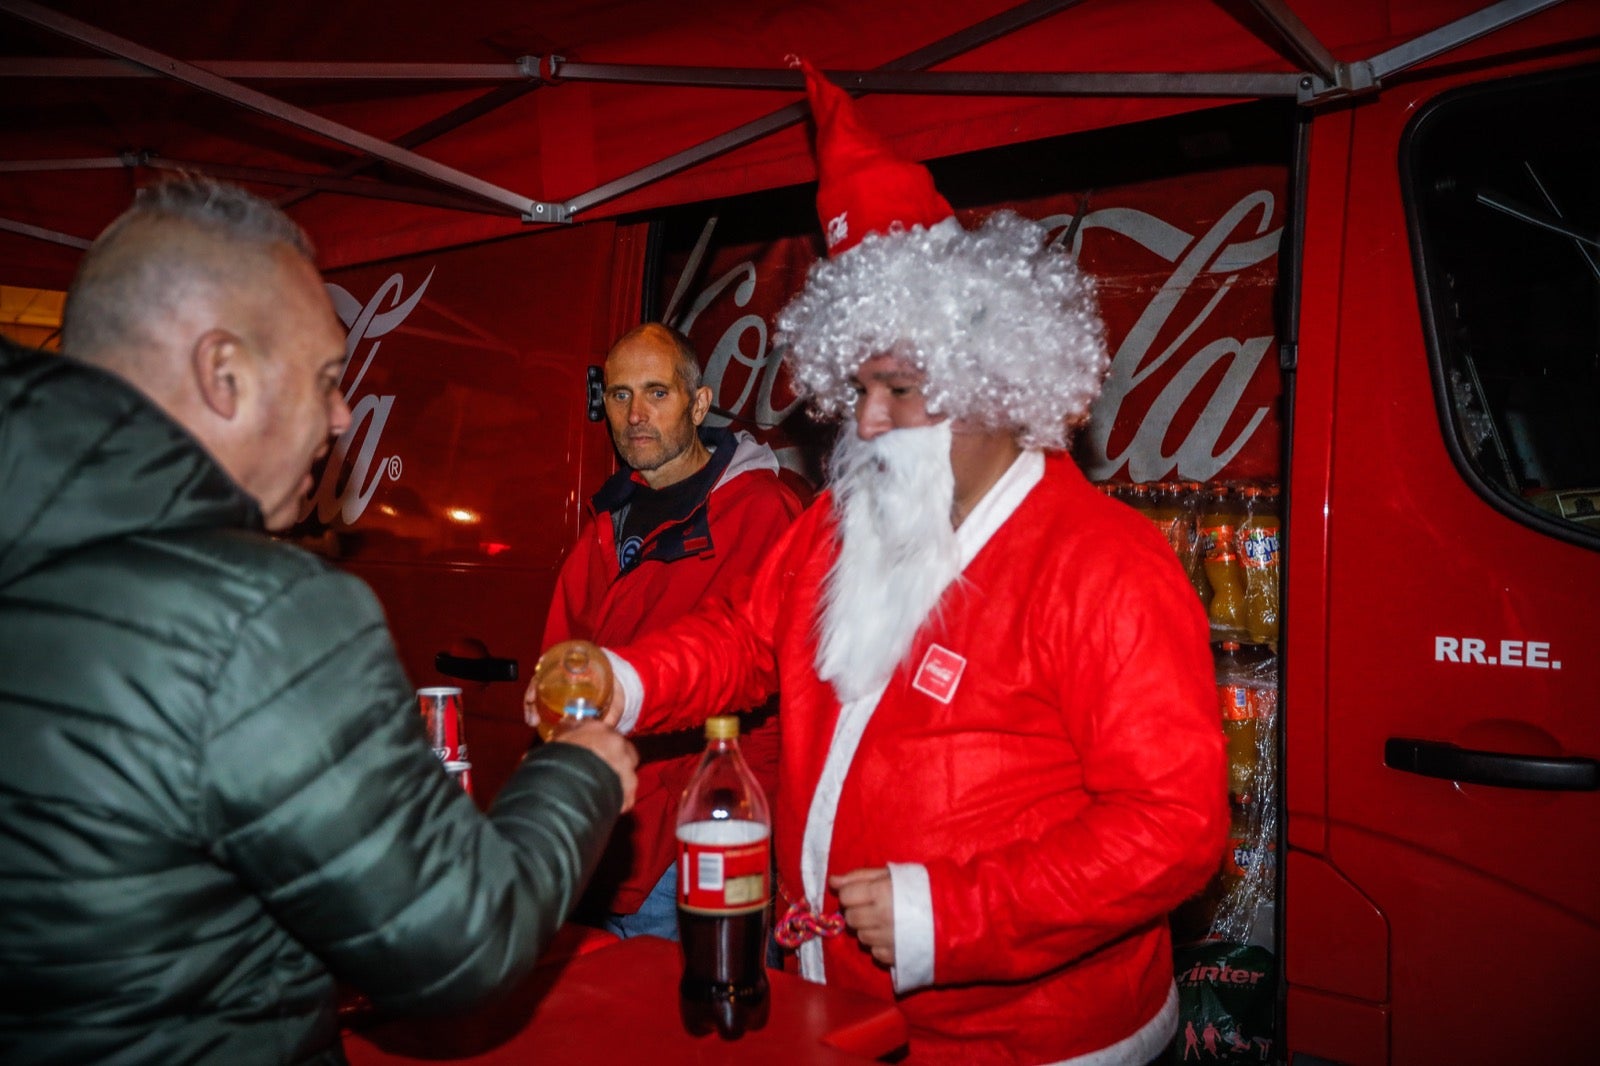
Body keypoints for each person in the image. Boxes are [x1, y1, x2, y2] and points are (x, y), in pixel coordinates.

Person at [575, 63, 1228, 1063]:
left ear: (996, 382)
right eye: (855, 392)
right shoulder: (837, 527)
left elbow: (1173, 826)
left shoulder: (1104, 563)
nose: (868, 425)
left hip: (1035, 1043)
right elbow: (746, 642)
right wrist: (619, 677)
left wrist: (944, 913)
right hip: (845, 1021)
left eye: (901, 392)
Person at [0, 177, 638, 1066]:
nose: (344, 418)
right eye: (329, 379)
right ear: (222, 374)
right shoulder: (260, 610)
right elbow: (459, 941)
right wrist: (576, 773)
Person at [528, 322, 801, 940]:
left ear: (698, 403)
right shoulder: (609, 516)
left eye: (657, 392)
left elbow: (759, 674)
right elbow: (562, 660)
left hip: (690, 844)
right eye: (620, 395)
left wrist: (738, 831)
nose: (635, 415)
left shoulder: (760, 512)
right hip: (602, 827)